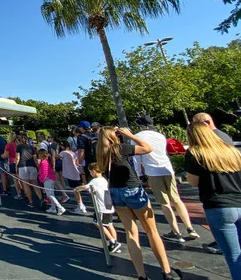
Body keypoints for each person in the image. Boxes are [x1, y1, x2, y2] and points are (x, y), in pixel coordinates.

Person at [97, 126, 182, 280]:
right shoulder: (120, 148)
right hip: (132, 189)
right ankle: (166, 271)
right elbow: (147, 148)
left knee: (131, 233)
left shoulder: (101, 153)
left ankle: (141, 274)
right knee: (152, 231)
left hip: (116, 191)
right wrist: (130, 135)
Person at [185, 121, 241, 279]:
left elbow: (193, 181)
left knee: (234, 256)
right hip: (239, 201)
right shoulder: (231, 151)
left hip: (218, 206)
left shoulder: (195, 153)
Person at [133, 115, 199, 243]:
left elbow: (136, 158)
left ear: (140, 125)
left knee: (165, 202)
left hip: (153, 171)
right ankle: (190, 228)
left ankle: (176, 232)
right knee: (176, 199)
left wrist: (139, 174)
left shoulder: (137, 137)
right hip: (167, 168)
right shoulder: (160, 135)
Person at [75, 162, 122, 254]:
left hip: (101, 207)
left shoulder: (95, 181)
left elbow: (86, 186)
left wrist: (77, 188)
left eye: (90, 172)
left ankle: (113, 241)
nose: (90, 174)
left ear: (93, 171)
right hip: (108, 205)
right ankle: (115, 244)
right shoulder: (104, 180)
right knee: (109, 224)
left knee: (98, 224)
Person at [16, 134, 43, 209]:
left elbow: (17, 158)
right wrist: (38, 167)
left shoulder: (19, 147)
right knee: (35, 184)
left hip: (23, 166)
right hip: (32, 166)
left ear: (20, 139)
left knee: (26, 185)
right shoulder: (32, 147)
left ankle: (31, 202)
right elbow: (35, 158)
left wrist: (16, 167)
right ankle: (41, 198)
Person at [59, 141, 87, 213]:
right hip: (75, 172)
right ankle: (81, 204)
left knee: (75, 190)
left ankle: (80, 205)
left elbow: (57, 157)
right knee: (76, 190)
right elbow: (77, 163)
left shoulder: (63, 152)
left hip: (70, 173)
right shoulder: (72, 152)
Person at [38, 149, 65, 215]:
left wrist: (41, 179)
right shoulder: (47, 161)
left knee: (49, 195)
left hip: (47, 179)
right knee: (51, 194)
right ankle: (53, 208)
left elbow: (44, 172)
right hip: (51, 179)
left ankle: (60, 207)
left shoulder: (44, 162)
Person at [2, 133, 23, 199]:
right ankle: (25, 193)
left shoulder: (8, 145)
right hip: (21, 162)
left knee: (15, 180)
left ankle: (19, 194)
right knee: (22, 179)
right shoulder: (19, 144)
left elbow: (5, 155)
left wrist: (0, 155)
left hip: (13, 162)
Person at [48, 136, 69, 203]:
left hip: (56, 163)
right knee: (62, 179)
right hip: (61, 162)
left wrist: (53, 166)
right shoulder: (59, 145)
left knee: (56, 180)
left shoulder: (53, 146)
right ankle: (64, 194)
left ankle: (64, 195)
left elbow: (53, 157)